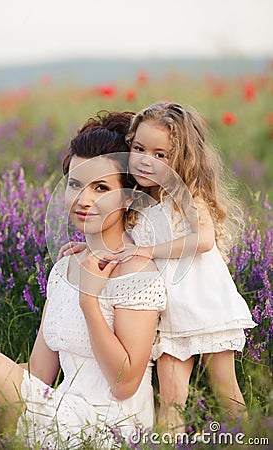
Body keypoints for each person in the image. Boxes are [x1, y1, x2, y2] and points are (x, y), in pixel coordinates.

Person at [58, 101, 256, 434]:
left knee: (227, 394)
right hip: (169, 315)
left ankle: (251, 441)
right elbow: (123, 242)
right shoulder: (139, 201)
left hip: (205, 307)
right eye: (138, 148)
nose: (146, 160)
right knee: (171, 399)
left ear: (182, 159)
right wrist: (89, 245)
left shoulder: (188, 195)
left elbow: (205, 239)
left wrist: (150, 249)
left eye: (160, 154)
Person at [0, 111, 167, 448]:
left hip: (107, 429)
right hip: (57, 411)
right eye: (75, 184)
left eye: (101, 188)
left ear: (128, 197)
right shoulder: (64, 268)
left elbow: (126, 383)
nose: (84, 199)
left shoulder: (135, 271)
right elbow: (37, 375)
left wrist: (89, 300)